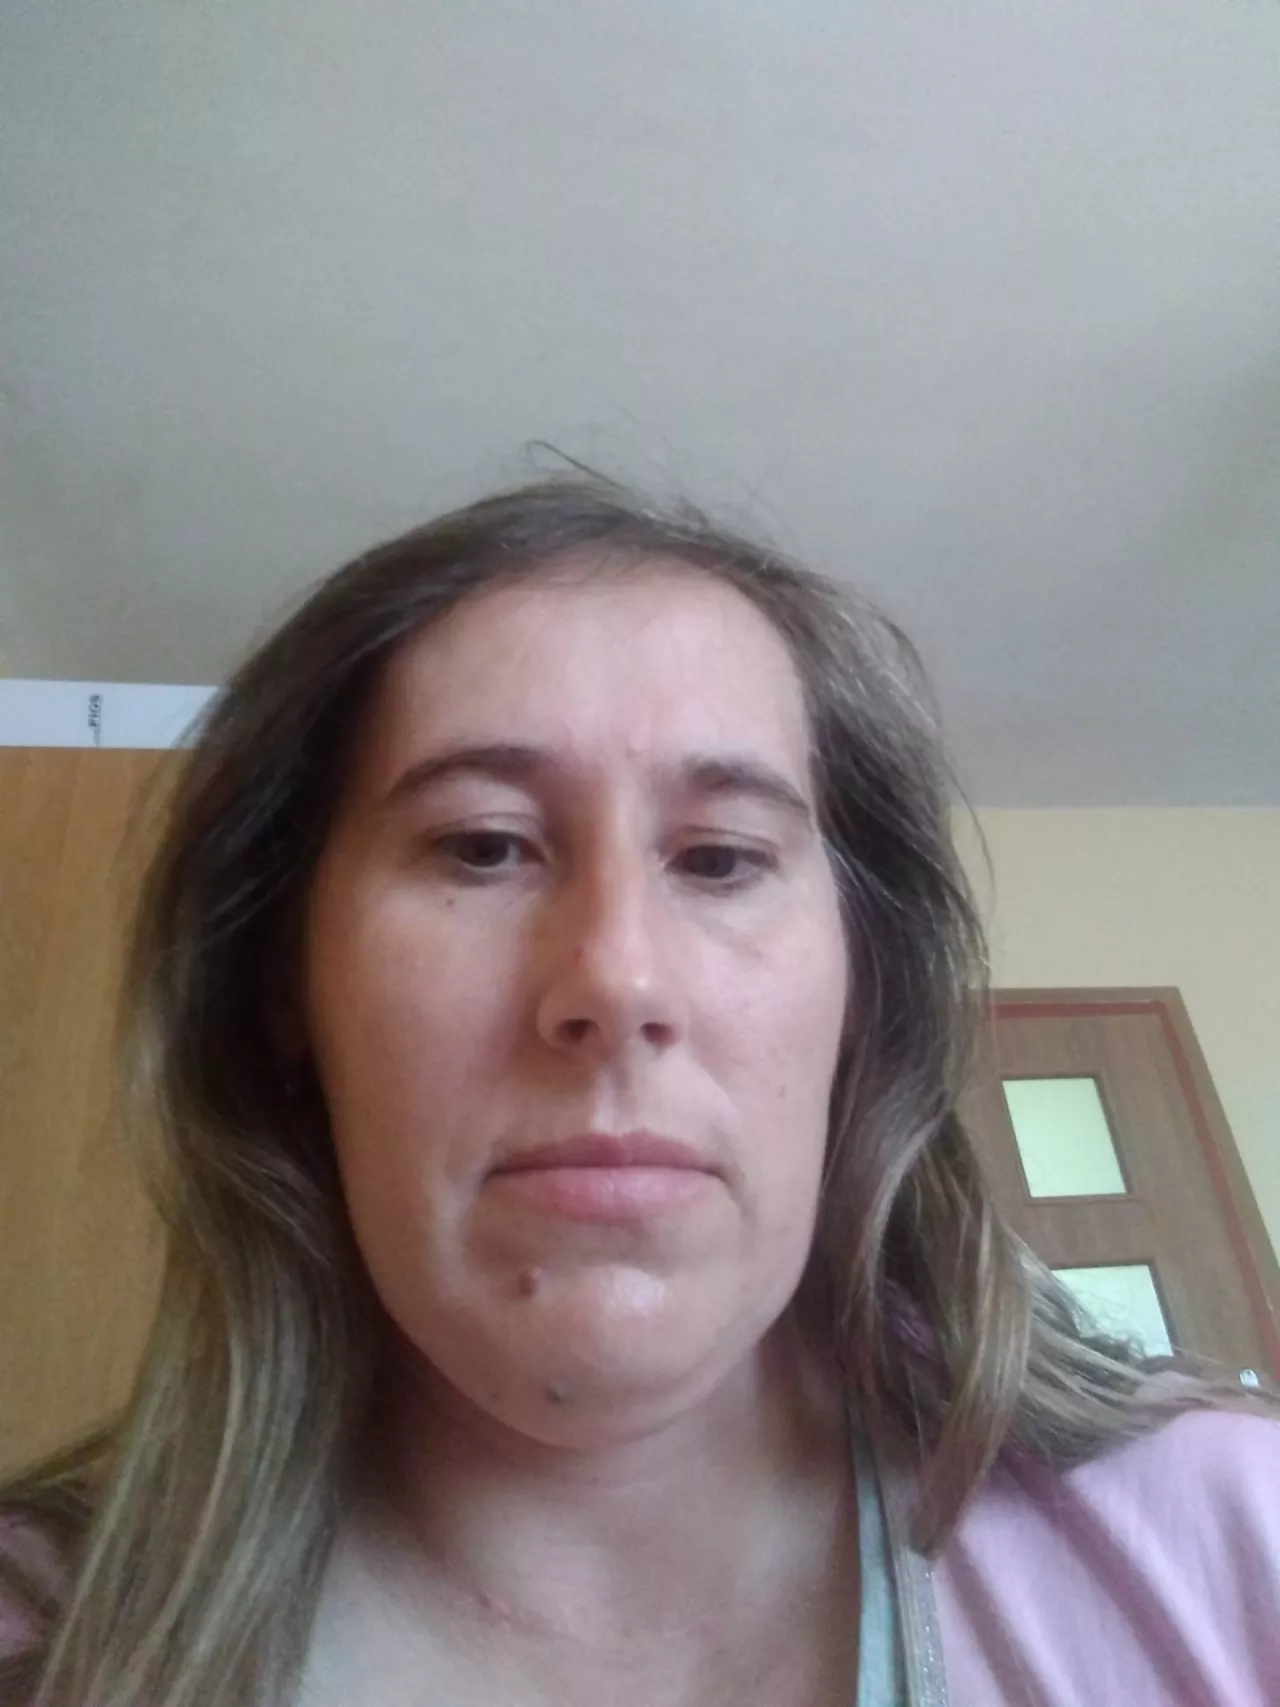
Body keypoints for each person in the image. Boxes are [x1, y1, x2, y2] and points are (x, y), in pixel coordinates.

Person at [1, 476, 1277, 1707]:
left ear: (860, 992)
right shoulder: (41, 1646)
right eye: (482, 847)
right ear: (283, 984)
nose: (615, 980)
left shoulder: (1239, 1553)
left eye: (720, 860)